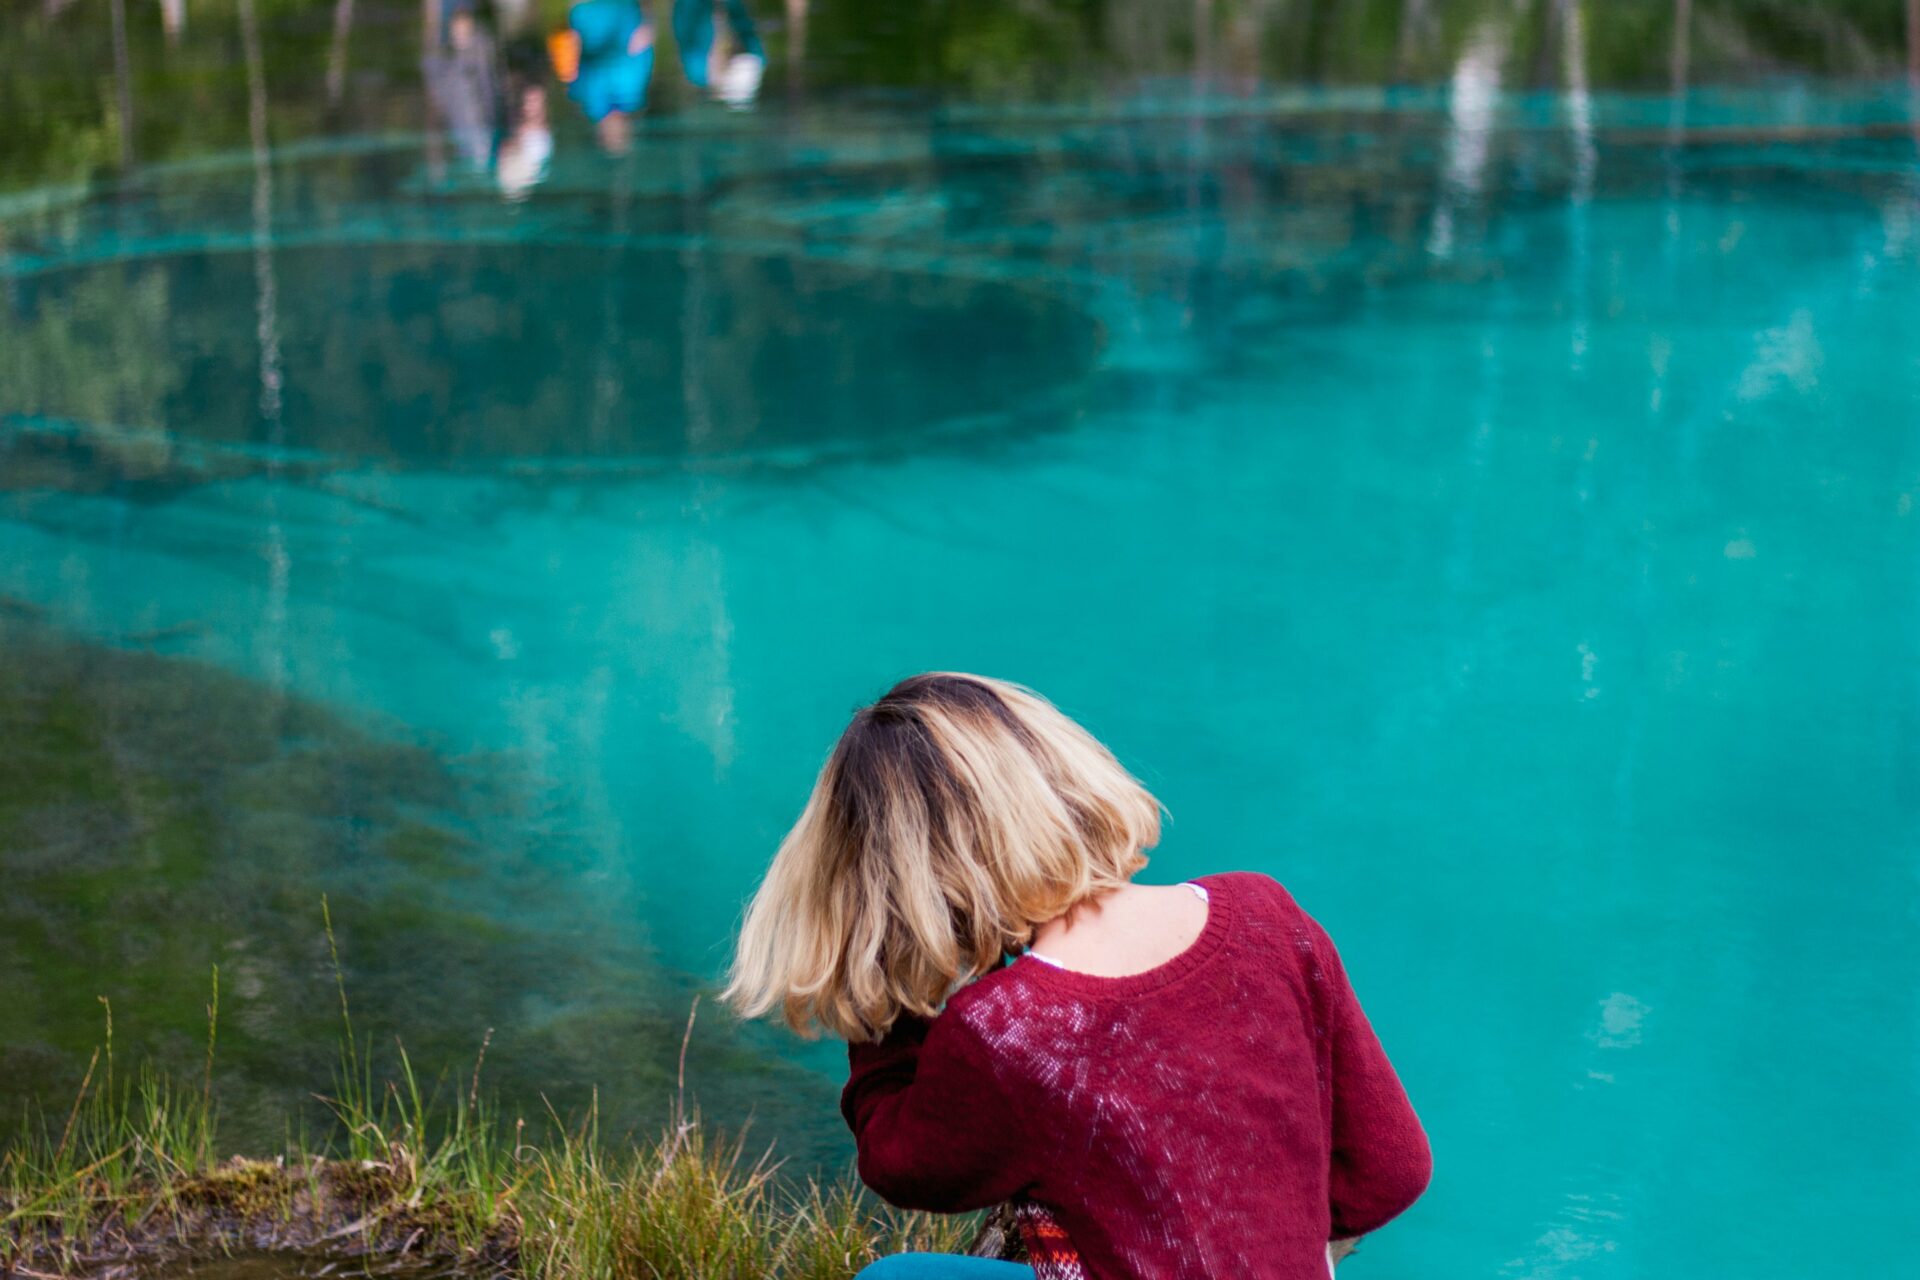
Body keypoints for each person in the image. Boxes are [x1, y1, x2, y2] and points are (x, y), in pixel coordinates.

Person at [724, 673, 1433, 1279]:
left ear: (909, 886)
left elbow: (902, 1163)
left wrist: (887, 1000)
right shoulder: (1265, 915)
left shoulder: (1006, 1030)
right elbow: (1393, 1170)